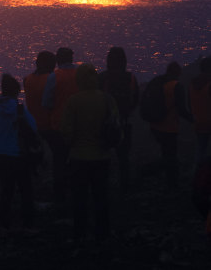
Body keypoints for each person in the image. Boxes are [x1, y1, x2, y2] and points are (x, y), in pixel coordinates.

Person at [61, 63, 119, 243]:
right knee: (101, 197)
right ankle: (103, 233)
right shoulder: (107, 99)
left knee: (79, 199)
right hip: (102, 156)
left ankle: (80, 234)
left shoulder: (73, 101)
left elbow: (67, 133)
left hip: (79, 157)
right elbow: (116, 127)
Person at [0, 73, 37, 231]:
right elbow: (33, 128)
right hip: (18, 154)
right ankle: (27, 223)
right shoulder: (19, 110)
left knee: (6, 189)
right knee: (25, 189)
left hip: (0, 155)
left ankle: (3, 222)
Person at [98, 46, 139, 192]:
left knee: (103, 156)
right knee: (123, 157)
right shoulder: (131, 78)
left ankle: (103, 186)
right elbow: (135, 99)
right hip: (124, 122)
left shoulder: (102, 77)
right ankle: (124, 186)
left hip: (105, 123)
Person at [41, 47, 79, 203]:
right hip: (78, 123)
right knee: (76, 157)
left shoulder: (54, 77)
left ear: (58, 59)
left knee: (59, 159)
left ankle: (60, 193)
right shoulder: (81, 74)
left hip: (59, 124)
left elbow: (47, 102)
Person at [149, 61, 193, 187]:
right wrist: (193, 120)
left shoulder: (159, 82)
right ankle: (172, 183)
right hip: (169, 127)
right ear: (178, 72)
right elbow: (181, 109)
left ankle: (166, 179)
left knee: (166, 153)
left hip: (155, 125)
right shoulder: (176, 86)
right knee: (171, 155)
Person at [23, 51, 56, 191]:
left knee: (34, 157)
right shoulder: (51, 79)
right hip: (49, 124)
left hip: (32, 125)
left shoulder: (27, 79)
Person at [189, 56, 211, 165]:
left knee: (200, 153)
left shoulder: (192, 85)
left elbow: (190, 105)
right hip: (209, 123)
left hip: (198, 124)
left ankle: (197, 178)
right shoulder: (208, 85)